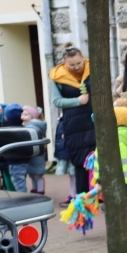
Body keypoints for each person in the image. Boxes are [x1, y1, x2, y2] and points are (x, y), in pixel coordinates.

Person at [50, 43, 96, 196]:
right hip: (73, 124)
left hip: (93, 120)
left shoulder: (92, 69)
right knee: (79, 162)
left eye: (79, 63)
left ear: (83, 58)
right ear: (64, 62)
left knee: (96, 158)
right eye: (72, 65)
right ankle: (82, 198)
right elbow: (57, 101)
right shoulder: (58, 76)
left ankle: (98, 195)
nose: (76, 67)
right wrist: (77, 101)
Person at [21, 105, 48, 194]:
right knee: (33, 174)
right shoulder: (31, 126)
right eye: (22, 114)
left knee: (37, 175)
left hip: (36, 155)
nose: (22, 117)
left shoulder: (33, 127)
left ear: (32, 117)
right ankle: (35, 189)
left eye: (26, 115)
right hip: (33, 154)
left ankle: (40, 191)